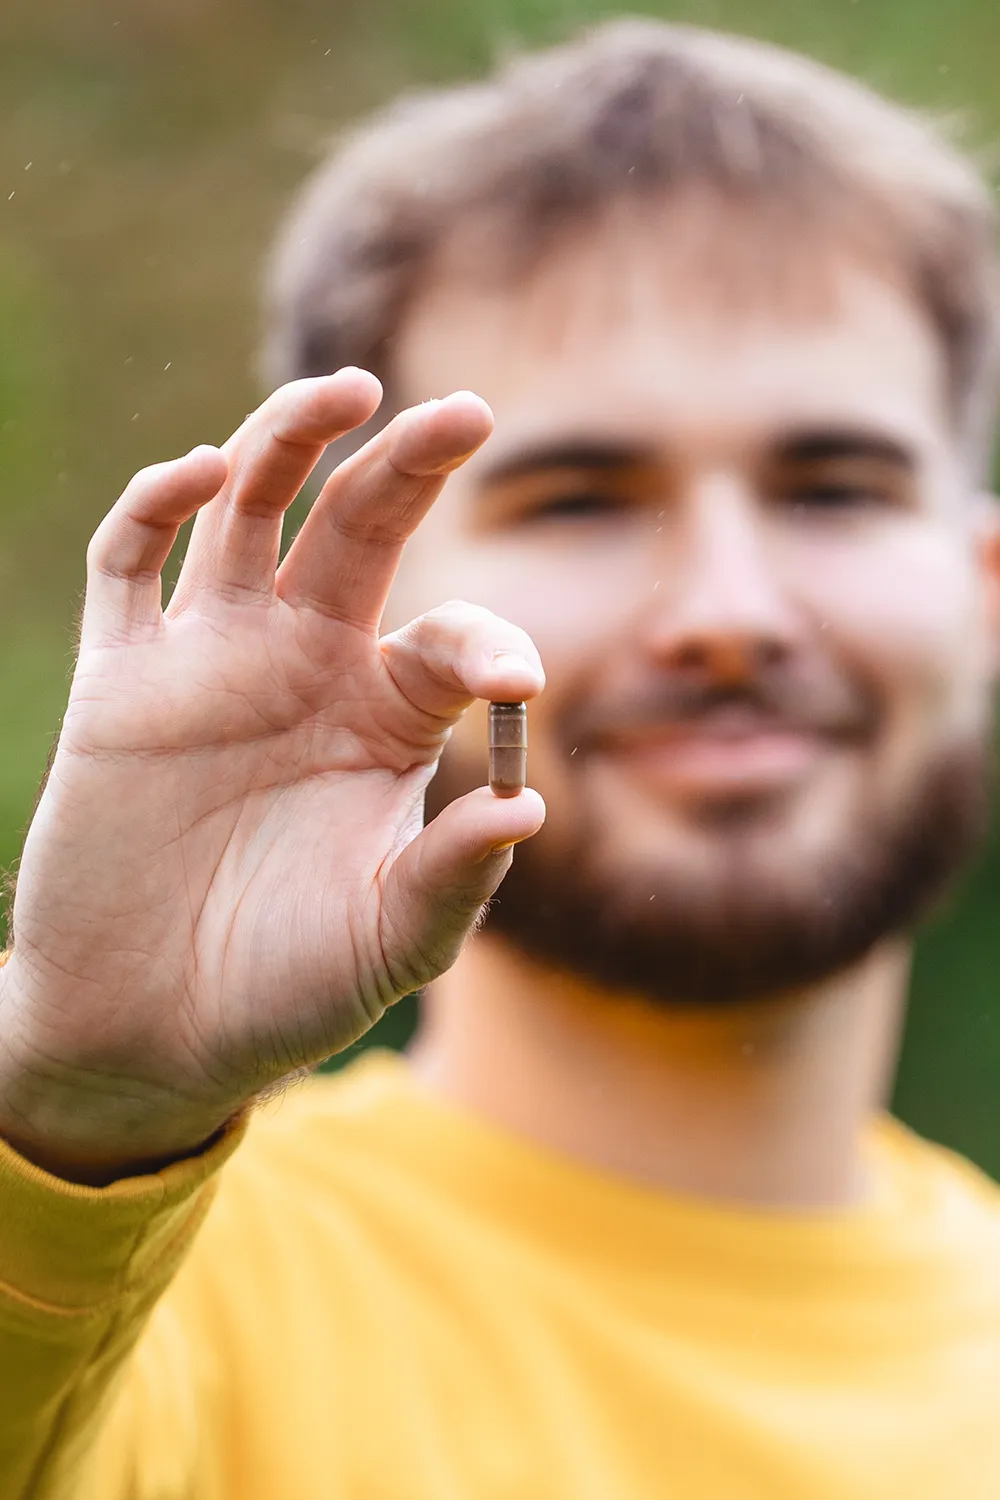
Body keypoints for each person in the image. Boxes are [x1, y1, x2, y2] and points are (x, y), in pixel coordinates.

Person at [1, 18, 1000, 1498]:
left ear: (981, 592)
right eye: (582, 499)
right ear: (365, 599)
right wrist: (77, 1116)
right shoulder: (126, 1292)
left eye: (833, 488)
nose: (727, 613)